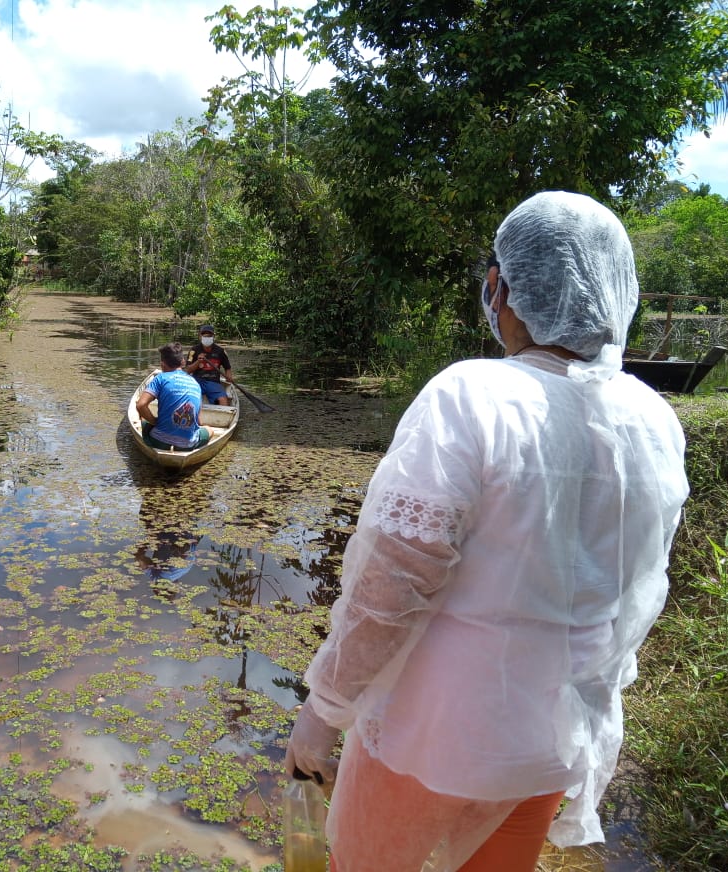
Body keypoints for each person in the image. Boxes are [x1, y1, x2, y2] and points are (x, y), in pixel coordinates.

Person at [283, 191, 690, 872]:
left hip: (435, 735)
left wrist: (324, 710)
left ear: (503, 289)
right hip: (551, 742)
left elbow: (393, 583)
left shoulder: (471, 395)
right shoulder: (653, 421)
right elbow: (639, 586)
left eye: (493, 281)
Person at [136, 342, 212, 450]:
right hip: (188, 445)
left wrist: (154, 421)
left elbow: (140, 405)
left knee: (143, 417)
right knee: (209, 430)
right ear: (183, 362)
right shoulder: (195, 383)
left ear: (162, 364)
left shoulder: (160, 378)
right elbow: (198, 421)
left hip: (159, 441)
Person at [185, 324, 234, 406]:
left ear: (213, 337)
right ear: (200, 336)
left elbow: (227, 368)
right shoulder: (194, 350)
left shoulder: (220, 351)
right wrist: (198, 361)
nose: (207, 338)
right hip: (197, 381)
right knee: (190, 399)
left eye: (209, 336)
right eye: (204, 335)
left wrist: (229, 377)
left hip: (213, 382)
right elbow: (188, 370)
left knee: (223, 400)